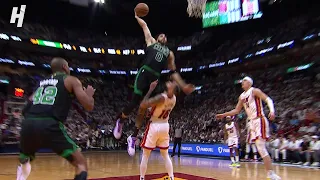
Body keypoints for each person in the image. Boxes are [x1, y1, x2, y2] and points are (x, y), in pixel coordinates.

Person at [113, 11, 194, 156]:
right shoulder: (151, 41)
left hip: (154, 79)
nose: (163, 36)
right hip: (144, 73)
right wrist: (137, 17)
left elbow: (173, 72)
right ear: (157, 38)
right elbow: (144, 26)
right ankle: (121, 120)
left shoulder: (169, 53)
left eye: (165, 36)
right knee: (134, 103)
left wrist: (183, 85)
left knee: (143, 108)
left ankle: (133, 136)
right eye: (161, 35)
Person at [17, 57, 95, 180]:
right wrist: (89, 95)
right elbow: (88, 106)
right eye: (68, 66)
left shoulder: (42, 83)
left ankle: (21, 173)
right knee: (81, 164)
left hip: (28, 124)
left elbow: (25, 109)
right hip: (49, 124)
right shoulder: (70, 80)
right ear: (64, 67)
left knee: (25, 159)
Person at [216, 76, 281, 180]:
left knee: (261, 147)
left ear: (250, 83)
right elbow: (236, 110)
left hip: (259, 119)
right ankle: (270, 173)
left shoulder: (255, 91)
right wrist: (223, 115)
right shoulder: (241, 96)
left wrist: (272, 110)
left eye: (244, 80)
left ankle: (271, 173)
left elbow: (268, 99)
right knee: (260, 148)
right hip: (251, 122)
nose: (242, 82)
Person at [139, 80, 178, 180]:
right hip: (165, 126)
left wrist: (150, 89)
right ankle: (171, 177)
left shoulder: (161, 97)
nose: (169, 82)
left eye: (172, 83)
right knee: (165, 154)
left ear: (172, 89)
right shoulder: (174, 99)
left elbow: (143, 104)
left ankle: (142, 178)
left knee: (145, 154)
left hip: (155, 125)